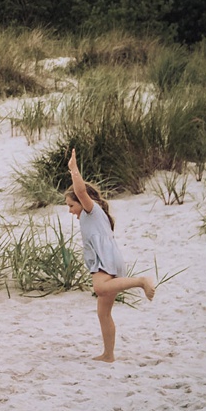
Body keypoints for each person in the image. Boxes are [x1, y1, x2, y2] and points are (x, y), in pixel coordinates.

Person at [65, 148, 155, 363]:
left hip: (105, 259)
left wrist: (74, 170)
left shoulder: (91, 210)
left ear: (81, 201)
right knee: (103, 313)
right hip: (112, 258)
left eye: (71, 205)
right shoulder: (96, 215)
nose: (70, 211)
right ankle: (108, 355)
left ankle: (141, 281)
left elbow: (81, 191)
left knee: (99, 288)